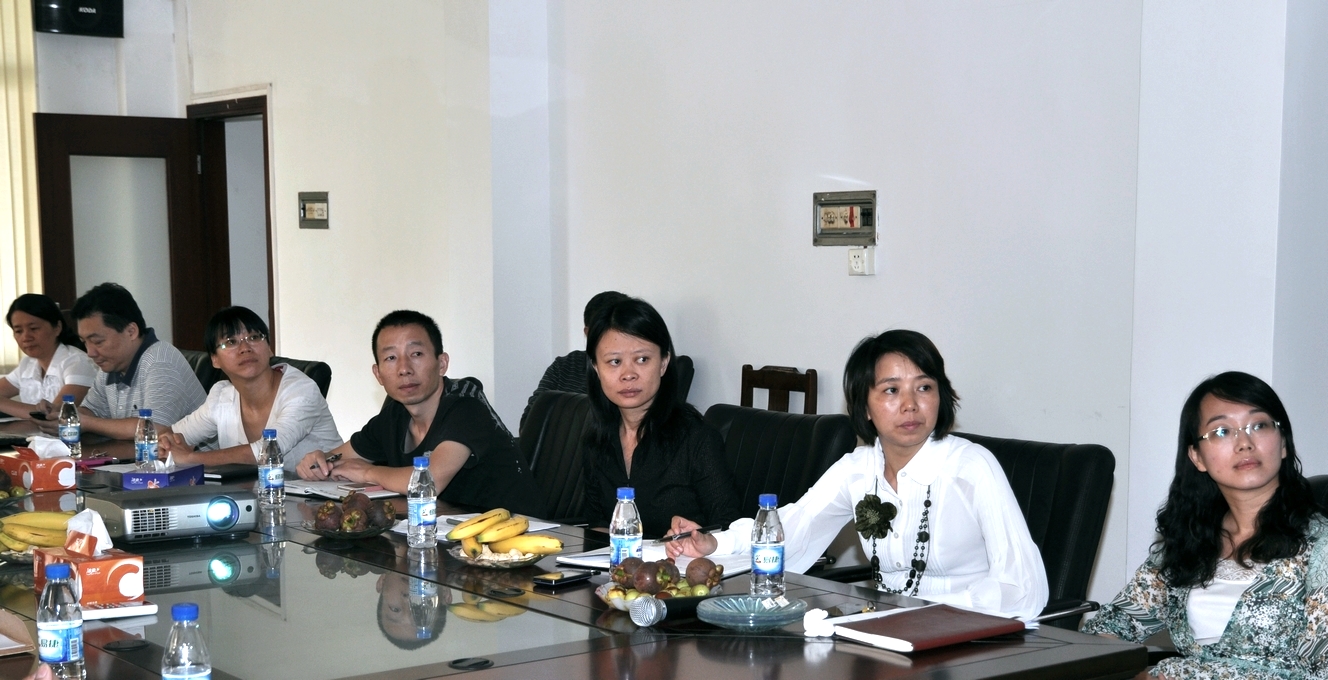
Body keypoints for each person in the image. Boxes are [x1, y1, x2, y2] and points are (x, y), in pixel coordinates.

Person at [667, 329, 1047, 620]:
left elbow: (1022, 587)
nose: (910, 404)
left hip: (970, 635)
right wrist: (713, 544)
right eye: (891, 390)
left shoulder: (972, 467)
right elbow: (792, 528)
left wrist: (927, 614)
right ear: (864, 406)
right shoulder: (858, 469)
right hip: (890, 637)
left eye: (924, 387)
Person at [1083, 371, 1328, 679]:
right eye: (1222, 431)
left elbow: (1320, 672)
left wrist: (1177, 675)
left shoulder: (1319, 547)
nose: (1244, 443)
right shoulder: (1192, 539)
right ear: (1197, 457)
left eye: (1259, 425)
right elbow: (1110, 627)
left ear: (1282, 444)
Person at [295, 310, 545, 516]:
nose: (404, 368)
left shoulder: (467, 407)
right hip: (440, 533)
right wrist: (319, 460)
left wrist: (367, 472)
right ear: (378, 374)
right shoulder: (395, 415)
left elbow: (429, 481)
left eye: (416, 354)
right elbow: (341, 457)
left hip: (512, 538)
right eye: (391, 358)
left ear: (442, 363)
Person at [581, 296, 741, 538]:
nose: (628, 374)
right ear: (596, 368)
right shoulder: (596, 440)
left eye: (642, 359)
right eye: (614, 362)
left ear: (664, 362)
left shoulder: (697, 439)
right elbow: (598, 525)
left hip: (685, 562)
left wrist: (698, 539)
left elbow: (729, 527)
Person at [156, 306, 342, 471]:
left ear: (269, 348)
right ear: (215, 359)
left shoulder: (301, 391)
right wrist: (166, 444)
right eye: (231, 342)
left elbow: (267, 450)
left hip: (327, 493)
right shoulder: (221, 397)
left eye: (254, 337)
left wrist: (191, 459)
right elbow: (173, 436)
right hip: (258, 494)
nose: (245, 348)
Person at [38, 283, 206, 438]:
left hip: (193, 460)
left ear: (131, 331)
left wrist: (86, 423)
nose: (90, 352)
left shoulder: (160, 361)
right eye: (85, 342)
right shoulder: (110, 365)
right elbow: (92, 411)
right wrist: (64, 415)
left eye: (98, 342)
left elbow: (154, 429)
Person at [520, 290, 628, 429]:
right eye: (604, 331)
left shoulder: (637, 370)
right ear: (588, 333)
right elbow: (529, 422)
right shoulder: (565, 365)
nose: (615, 339)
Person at [0, 294, 95, 420]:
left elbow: (56, 414)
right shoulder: (27, 364)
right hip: (33, 432)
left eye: (33, 328)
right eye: (18, 331)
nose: (26, 337)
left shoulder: (78, 362)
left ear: (57, 328)